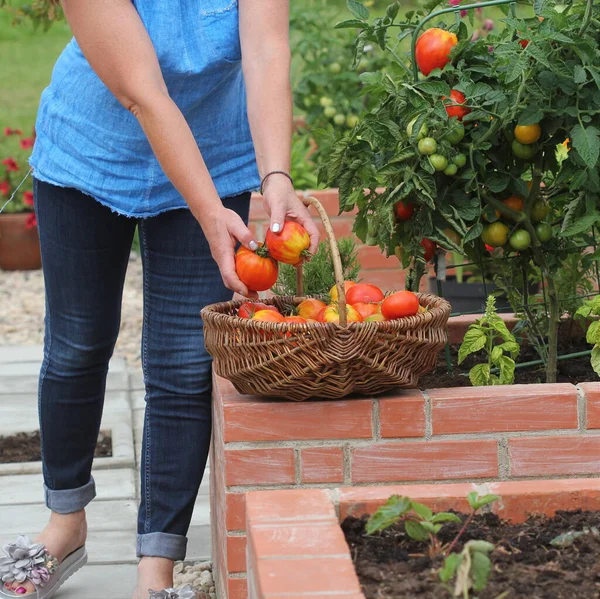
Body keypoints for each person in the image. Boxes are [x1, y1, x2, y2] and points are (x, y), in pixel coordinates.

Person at [0, 1, 318, 598]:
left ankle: (157, 568)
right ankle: (64, 523)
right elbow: (142, 91)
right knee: (75, 347)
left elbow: (267, 51)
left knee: (182, 364)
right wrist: (209, 215)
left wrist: (277, 177)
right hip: (88, 157)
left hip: (213, 155)